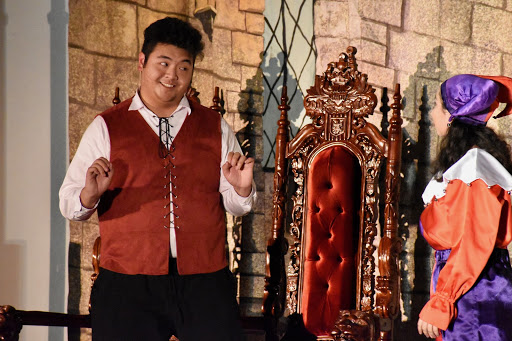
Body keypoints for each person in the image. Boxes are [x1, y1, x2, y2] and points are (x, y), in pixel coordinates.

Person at [59, 17, 256, 341]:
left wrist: (241, 188)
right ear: (142, 62)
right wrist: (89, 195)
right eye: (163, 63)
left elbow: (236, 206)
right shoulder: (106, 126)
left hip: (204, 282)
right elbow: (68, 202)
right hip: (127, 284)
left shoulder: (214, 125)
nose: (172, 75)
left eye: (184, 67)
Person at [417, 74, 512, 340]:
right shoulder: (468, 164)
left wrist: (443, 301)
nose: (433, 113)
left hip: (474, 294)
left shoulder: (474, 166)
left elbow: (474, 239)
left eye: (437, 106)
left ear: (451, 115)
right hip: (471, 286)